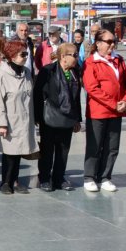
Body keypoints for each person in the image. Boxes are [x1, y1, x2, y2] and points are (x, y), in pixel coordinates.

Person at [82, 29, 126, 192]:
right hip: (98, 111)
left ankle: (105, 177)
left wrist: (125, 100)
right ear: (98, 44)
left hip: (117, 111)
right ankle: (89, 176)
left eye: (114, 41)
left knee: (112, 146)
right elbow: (92, 88)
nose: (112, 44)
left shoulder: (119, 60)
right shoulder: (91, 62)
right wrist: (113, 103)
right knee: (95, 145)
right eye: (109, 41)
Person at [0, 40, 38, 195]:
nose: (25, 57)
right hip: (10, 120)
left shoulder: (26, 73)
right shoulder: (2, 75)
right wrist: (1, 124)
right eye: (22, 54)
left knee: (20, 152)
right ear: (11, 56)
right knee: (9, 153)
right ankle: (6, 182)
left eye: (26, 54)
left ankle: (16, 181)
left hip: (25, 119)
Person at [33, 43, 82, 192]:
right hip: (49, 117)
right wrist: (37, 116)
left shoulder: (74, 72)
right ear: (62, 57)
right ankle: (44, 178)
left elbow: (76, 98)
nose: (75, 58)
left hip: (67, 118)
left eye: (76, 55)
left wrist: (77, 119)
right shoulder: (48, 71)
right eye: (72, 55)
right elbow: (37, 94)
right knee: (47, 149)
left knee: (63, 150)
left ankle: (59, 178)